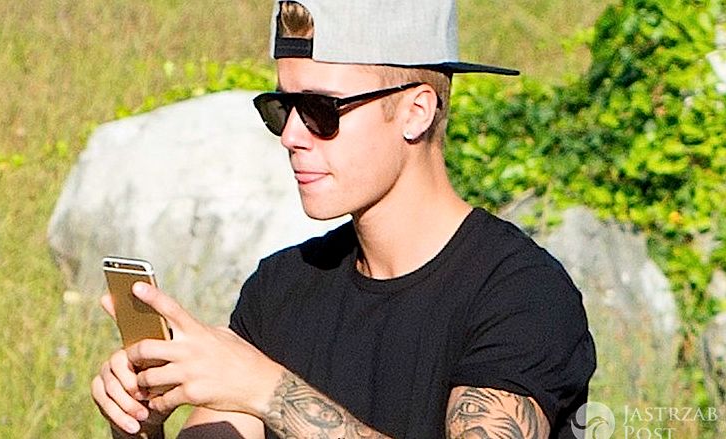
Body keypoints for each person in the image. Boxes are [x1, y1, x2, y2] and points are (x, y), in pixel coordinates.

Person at [91, 0, 596, 438]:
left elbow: (261, 388)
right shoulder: (281, 289)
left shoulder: (522, 294)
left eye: (320, 110)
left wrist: (268, 391)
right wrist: (140, 425)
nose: (291, 135)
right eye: (282, 107)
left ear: (416, 112)